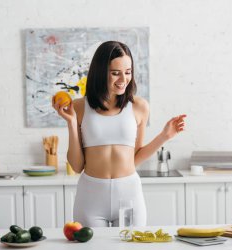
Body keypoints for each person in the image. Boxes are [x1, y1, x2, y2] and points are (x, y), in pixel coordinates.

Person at [52, 41, 186, 227]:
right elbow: (76, 166)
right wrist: (72, 123)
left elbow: (135, 158)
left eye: (128, 72)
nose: (123, 79)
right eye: (115, 73)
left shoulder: (139, 107)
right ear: (100, 72)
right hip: (91, 196)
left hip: (129, 194)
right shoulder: (79, 107)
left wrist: (165, 136)